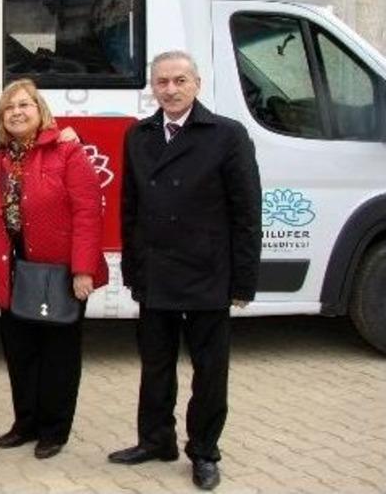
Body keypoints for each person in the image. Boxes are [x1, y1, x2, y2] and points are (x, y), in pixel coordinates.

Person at [108, 51, 261, 491]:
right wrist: (133, 269)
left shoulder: (227, 135)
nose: (171, 90)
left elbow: (247, 213)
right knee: (156, 365)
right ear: (152, 87)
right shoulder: (139, 135)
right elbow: (130, 208)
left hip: (207, 272)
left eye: (179, 80)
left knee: (209, 371)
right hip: (156, 272)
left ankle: (205, 451)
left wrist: (243, 280)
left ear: (196, 83)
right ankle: (156, 440)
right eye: (162, 82)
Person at [0, 78, 106, 460]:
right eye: (9, 108)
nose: (16, 112)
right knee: (20, 353)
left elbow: (87, 213)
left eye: (24, 105)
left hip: (60, 274)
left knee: (58, 356)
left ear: (39, 110)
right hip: (13, 272)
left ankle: (53, 430)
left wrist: (83, 269)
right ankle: (25, 423)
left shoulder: (67, 152)